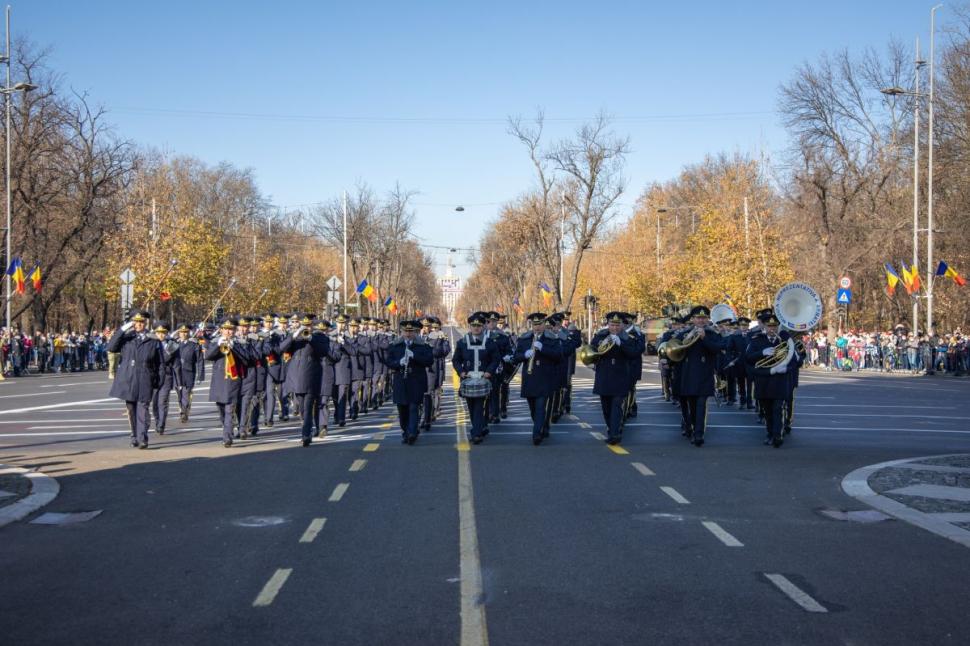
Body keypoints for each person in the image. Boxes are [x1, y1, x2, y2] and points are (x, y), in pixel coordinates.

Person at [673, 305, 726, 447]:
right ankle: (690, 427)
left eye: (704, 318)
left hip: (704, 375)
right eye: (698, 318)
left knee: (701, 405)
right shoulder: (683, 334)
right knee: (691, 405)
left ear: (708, 319)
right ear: (693, 319)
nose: (701, 320)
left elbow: (718, 348)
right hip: (687, 375)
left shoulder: (713, 335)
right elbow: (674, 351)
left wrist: (704, 339)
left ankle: (699, 434)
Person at [107, 311, 160, 449]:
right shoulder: (126, 337)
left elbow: (160, 363)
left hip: (145, 377)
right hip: (128, 378)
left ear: (145, 323)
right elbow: (111, 347)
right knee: (131, 409)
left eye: (141, 322)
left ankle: (143, 438)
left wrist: (158, 381)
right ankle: (134, 435)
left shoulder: (153, 339)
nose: (138, 325)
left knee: (143, 408)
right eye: (136, 322)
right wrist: (124, 328)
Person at [279, 314, 331, 447]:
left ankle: (306, 435)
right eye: (304, 325)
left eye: (308, 325)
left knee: (307, 407)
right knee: (302, 408)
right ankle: (308, 427)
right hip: (295, 377)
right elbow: (281, 348)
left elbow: (324, 351)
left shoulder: (320, 337)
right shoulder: (295, 337)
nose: (305, 328)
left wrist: (311, 338)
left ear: (312, 326)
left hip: (310, 376)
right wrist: (293, 336)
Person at [590, 311, 641, 445]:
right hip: (604, 376)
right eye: (612, 325)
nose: (615, 328)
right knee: (606, 407)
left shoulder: (628, 338)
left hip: (620, 376)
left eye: (618, 325)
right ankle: (611, 428)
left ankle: (615, 433)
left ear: (622, 325)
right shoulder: (600, 336)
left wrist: (621, 344)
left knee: (617, 406)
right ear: (608, 324)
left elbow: (634, 353)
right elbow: (592, 350)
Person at [512, 312, 563, 445]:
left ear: (544, 324)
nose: (537, 327)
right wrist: (524, 354)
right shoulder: (524, 338)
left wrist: (543, 349)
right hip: (530, 378)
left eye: (539, 324)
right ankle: (543, 426)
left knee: (540, 407)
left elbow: (559, 356)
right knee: (533, 408)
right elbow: (515, 357)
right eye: (534, 324)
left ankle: (536, 434)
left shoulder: (551, 338)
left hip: (545, 377)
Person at [384, 319, 434, 444]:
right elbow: (388, 361)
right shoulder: (395, 345)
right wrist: (398, 363)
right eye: (406, 331)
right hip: (401, 381)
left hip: (416, 381)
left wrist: (414, 356)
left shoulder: (422, 345)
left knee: (413, 407)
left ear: (415, 332)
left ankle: (412, 432)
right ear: (401, 331)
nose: (408, 334)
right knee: (402, 409)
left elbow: (429, 360)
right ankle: (406, 431)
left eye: (411, 331)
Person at [745, 310, 790, 448]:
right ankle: (770, 433)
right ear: (763, 326)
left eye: (775, 326)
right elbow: (748, 359)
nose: (772, 329)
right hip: (763, 382)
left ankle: (777, 436)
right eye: (769, 326)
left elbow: (795, 360)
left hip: (779, 382)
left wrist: (787, 368)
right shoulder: (756, 340)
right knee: (767, 411)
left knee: (777, 409)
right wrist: (761, 352)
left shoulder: (784, 341)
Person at [452, 312, 499, 444]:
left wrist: (489, 372)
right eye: (474, 325)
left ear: (483, 326)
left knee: (479, 406)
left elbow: (496, 359)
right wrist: (461, 372)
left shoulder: (490, 342)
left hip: (484, 379)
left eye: (479, 325)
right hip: (468, 379)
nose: (476, 328)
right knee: (471, 406)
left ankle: (476, 433)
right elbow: (456, 360)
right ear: (470, 326)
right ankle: (479, 427)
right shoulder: (462, 342)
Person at [205, 318, 251, 448]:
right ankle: (227, 427)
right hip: (219, 381)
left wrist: (234, 347)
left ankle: (227, 437)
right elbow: (207, 356)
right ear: (221, 330)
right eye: (226, 329)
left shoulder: (240, 343)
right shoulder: (216, 342)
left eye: (231, 329)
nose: (228, 332)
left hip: (233, 381)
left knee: (230, 409)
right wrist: (218, 345)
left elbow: (247, 359)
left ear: (235, 331)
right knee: (221, 409)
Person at [150, 323, 180, 436]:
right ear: (155, 333)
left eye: (163, 333)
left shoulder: (172, 345)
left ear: (166, 333)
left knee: (163, 402)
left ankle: (161, 424)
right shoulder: (150, 344)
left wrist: (179, 381)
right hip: (153, 376)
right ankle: (158, 420)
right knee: (154, 403)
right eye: (158, 333)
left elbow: (176, 364)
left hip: (167, 376)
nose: (161, 335)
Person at [485, 311, 513, 425]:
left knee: (495, 391)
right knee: (486, 392)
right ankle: (487, 413)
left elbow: (509, 350)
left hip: (497, 367)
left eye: (494, 321)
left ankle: (495, 414)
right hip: (484, 367)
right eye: (489, 321)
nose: (492, 324)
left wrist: (507, 356)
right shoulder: (481, 335)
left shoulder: (502, 336)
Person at [173, 324, 200, 423]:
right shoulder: (175, 343)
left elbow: (199, 360)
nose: (183, 334)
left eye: (185, 332)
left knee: (187, 393)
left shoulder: (194, 344)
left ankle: (184, 412)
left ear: (188, 333)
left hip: (189, 372)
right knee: (179, 393)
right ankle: (182, 408)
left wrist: (200, 376)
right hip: (177, 372)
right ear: (178, 333)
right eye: (181, 332)